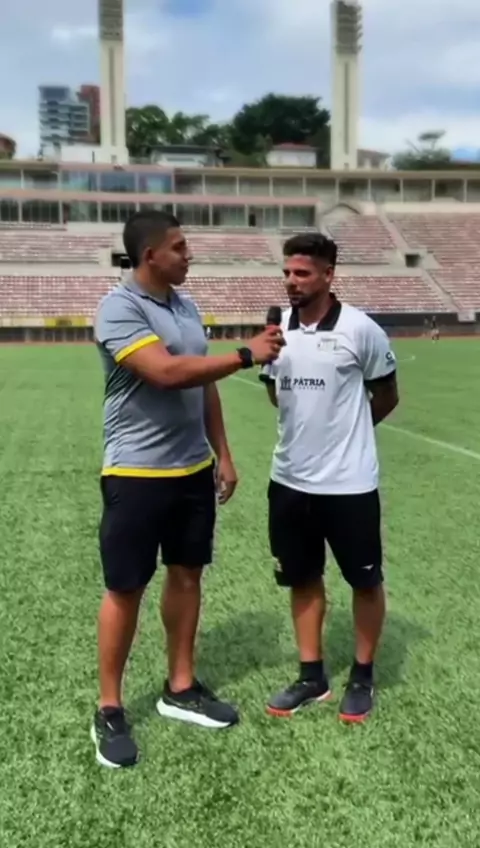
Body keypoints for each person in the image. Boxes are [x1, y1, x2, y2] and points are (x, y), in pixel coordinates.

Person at [92, 210, 283, 768]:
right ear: (150, 255)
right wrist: (246, 354)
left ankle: (179, 686)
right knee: (125, 588)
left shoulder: (186, 305)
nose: (188, 254)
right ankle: (109, 707)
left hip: (191, 470)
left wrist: (222, 452)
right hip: (136, 472)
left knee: (187, 574)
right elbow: (167, 372)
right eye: (179, 247)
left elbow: (203, 382)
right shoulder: (119, 308)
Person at [259, 233, 399, 724]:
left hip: (349, 484)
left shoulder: (361, 329)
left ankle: (362, 675)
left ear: (328, 275)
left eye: (302, 273)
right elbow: (275, 393)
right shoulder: (276, 331)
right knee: (302, 577)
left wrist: (349, 434)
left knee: (365, 580)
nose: (291, 282)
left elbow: (386, 396)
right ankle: (311, 675)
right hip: (289, 480)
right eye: (287, 272)